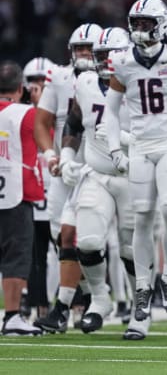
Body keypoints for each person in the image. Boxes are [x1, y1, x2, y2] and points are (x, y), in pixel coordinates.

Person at [102, 0, 167, 326]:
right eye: (137, 23)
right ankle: (144, 287)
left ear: (161, 24)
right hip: (142, 145)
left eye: (146, 23)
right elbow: (111, 110)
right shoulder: (122, 62)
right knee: (142, 217)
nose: (140, 29)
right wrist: (116, 149)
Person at [60, 27, 143, 337]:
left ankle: (140, 305)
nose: (105, 62)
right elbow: (74, 121)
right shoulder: (84, 82)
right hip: (98, 172)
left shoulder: (142, 86)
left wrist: (128, 139)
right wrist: (67, 155)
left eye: (111, 56)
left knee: (132, 248)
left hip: (135, 176)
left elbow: (163, 129)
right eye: (101, 56)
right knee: (89, 241)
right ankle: (99, 299)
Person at [34, 23, 103, 333]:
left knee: (81, 238)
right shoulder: (60, 78)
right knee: (59, 234)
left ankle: (87, 300)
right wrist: (52, 155)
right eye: (80, 49)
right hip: (67, 167)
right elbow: (43, 121)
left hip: (101, 168)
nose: (85, 54)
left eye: (91, 48)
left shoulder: (117, 77)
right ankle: (84, 296)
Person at [0, 60, 44, 336]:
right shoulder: (27, 114)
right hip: (16, 192)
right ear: (21, 88)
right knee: (16, 256)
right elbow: (47, 136)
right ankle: (13, 315)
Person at [22, 57, 55, 320]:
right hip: (32, 188)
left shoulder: (61, 110)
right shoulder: (20, 113)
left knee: (68, 248)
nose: (38, 88)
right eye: (34, 82)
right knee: (35, 254)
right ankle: (37, 304)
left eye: (43, 83)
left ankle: (77, 303)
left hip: (58, 185)